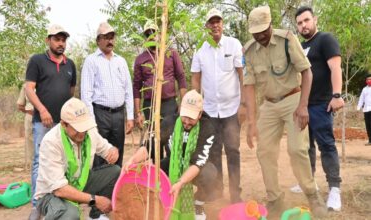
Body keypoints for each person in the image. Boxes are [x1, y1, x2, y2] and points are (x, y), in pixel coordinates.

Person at [243, 6, 327, 218]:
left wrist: (303, 105)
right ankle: (275, 199)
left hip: (292, 99)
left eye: (264, 30)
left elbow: (307, 72)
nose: (260, 36)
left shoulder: (288, 39)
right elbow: (249, 87)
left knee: (297, 149)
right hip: (269, 105)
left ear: (271, 25)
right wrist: (252, 121)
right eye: (256, 32)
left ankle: (312, 195)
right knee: (264, 152)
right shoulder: (249, 50)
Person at [123, 90, 216, 220]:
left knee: (210, 174)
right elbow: (149, 147)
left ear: (200, 114)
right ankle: (163, 202)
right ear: (180, 110)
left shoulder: (207, 128)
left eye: (191, 118)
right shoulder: (169, 122)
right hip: (173, 164)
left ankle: (198, 203)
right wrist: (132, 160)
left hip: (193, 167)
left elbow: (198, 163)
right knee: (154, 171)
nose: (187, 122)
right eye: (184, 116)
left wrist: (181, 182)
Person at [35, 98, 120, 220]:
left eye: (84, 127)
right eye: (77, 128)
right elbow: (59, 190)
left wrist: (113, 152)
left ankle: (97, 217)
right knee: (70, 214)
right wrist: (95, 200)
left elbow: (108, 150)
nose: (82, 133)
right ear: (64, 124)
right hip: (51, 194)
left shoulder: (89, 132)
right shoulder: (51, 142)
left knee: (115, 172)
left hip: (79, 182)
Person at [190, 8, 244, 203]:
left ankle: (235, 195)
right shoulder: (200, 50)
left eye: (217, 21)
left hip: (231, 109)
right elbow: (195, 79)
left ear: (222, 23)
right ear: (206, 26)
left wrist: (244, 104)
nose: (215, 25)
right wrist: (197, 105)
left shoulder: (234, 45)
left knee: (232, 150)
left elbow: (242, 74)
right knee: (213, 152)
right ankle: (217, 193)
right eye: (211, 22)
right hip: (210, 111)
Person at [295, 6, 344, 211]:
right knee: (306, 147)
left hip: (322, 103)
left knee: (326, 145)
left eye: (306, 20)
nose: (303, 25)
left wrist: (336, 95)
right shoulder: (300, 45)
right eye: (299, 23)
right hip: (303, 105)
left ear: (314, 19)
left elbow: (335, 67)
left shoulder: (325, 39)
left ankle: (334, 189)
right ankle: (309, 181)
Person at [25, 24, 76, 220]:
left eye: (63, 39)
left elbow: (71, 92)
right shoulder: (37, 60)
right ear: (48, 40)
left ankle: (61, 199)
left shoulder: (70, 64)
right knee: (40, 160)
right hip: (42, 122)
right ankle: (37, 206)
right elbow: (29, 88)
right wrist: (43, 109)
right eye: (57, 39)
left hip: (64, 124)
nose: (61, 43)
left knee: (64, 161)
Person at [81, 22, 134, 168]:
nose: (110, 41)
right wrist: (91, 122)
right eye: (106, 37)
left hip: (118, 115)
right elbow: (86, 94)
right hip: (100, 114)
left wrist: (130, 116)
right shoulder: (91, 61)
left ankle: (115, 188)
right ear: (98, 41)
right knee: (99, 153)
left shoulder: (121, 61)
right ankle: (100, 188)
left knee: (117, 153)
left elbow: (128, 90)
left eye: (112, 37)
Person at [133, 20, 187, 160]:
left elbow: (181, 77)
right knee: (153, 141)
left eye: (154, 32)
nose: (151, 35)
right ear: (145, 37)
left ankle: (170, 174)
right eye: (148, 33)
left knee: (169, 139)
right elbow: (137, 87)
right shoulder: (140, 59)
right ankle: (155, 175)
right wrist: (138, 113)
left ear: (159, 34)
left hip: (169, 104)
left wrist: (184, 102)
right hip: (150, 105)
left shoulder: (171, 53)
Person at [17, 83, 34, 170]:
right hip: (30, 117)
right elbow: (20, 105)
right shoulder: (26, 86)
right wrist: (29, 112)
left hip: (47, 118)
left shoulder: (47, 82)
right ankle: (30, 166)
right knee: (30, 141)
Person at [357, 74, 371, 145]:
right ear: (366, 81)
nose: (369, 81)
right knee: (368, 125)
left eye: (370, 79)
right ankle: (370, 140)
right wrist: (358, 107)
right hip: (366, 110)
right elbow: (361, 99)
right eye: (368, 79)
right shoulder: (364, 89)